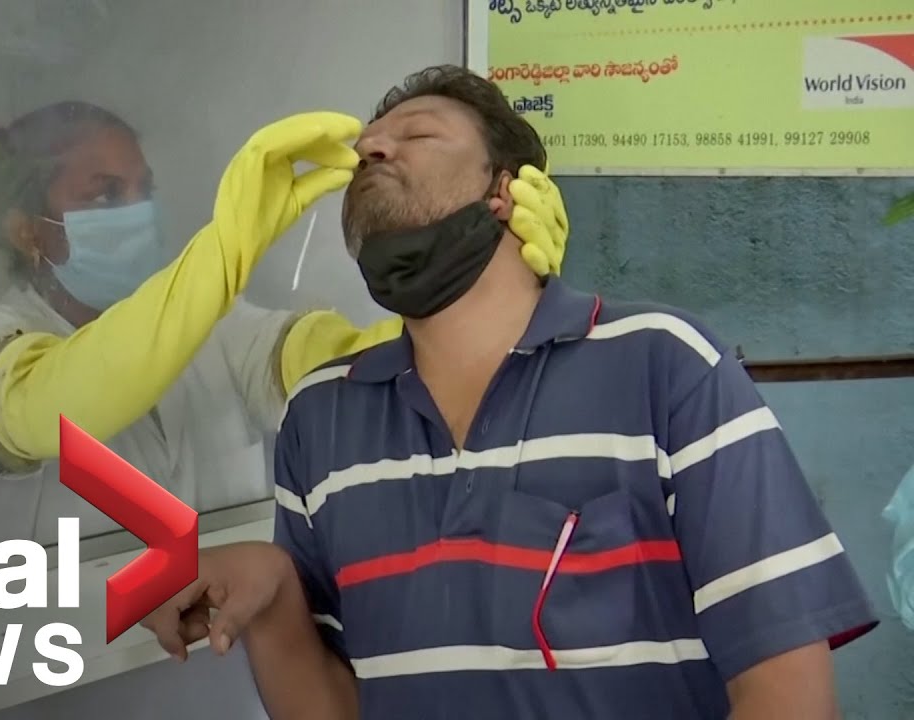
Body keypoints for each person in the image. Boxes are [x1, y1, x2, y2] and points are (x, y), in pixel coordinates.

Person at [140, 65, 880, 720]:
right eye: (365, 149)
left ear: (505, 191)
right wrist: (273, 598)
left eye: (416, 134)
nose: (372, 151)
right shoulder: (321, 416)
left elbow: (790, 695)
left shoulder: (663, 363)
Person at [0, 100, 571, 718]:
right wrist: (223, 251)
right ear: (27, 231)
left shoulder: (216, 326)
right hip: (51, 692)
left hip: (220, 686)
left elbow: (347, 363)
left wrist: (502, 291)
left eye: (144, 190)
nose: (137, 211)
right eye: (105, 194)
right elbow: (49, 408)